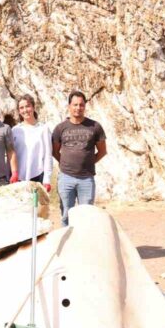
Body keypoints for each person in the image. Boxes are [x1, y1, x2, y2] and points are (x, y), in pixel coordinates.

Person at [52, 91, 107, 227]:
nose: (78, 108)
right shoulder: (60, 128)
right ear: (69, 106)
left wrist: (88, 162)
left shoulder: (95, 127)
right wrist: (65, 163)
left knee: (87, 215)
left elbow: (102, 151)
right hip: (66, 178)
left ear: (85, 106)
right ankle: (67, 246)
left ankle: (84, 246)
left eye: (81, 105)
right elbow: (54, 151)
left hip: (86, 179)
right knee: (66, 214)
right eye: (75, 104)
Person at [12, 94, 53, 192]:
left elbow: (48, 155)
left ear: (33, 107)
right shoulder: (15, 130)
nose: (25, 110)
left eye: (27, 106)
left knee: (36, 207)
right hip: (18, 178)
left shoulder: (43, 129)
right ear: (19, 111)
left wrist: (47, 179)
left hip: (38, 175)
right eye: (21, 108)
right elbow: (11, 156)